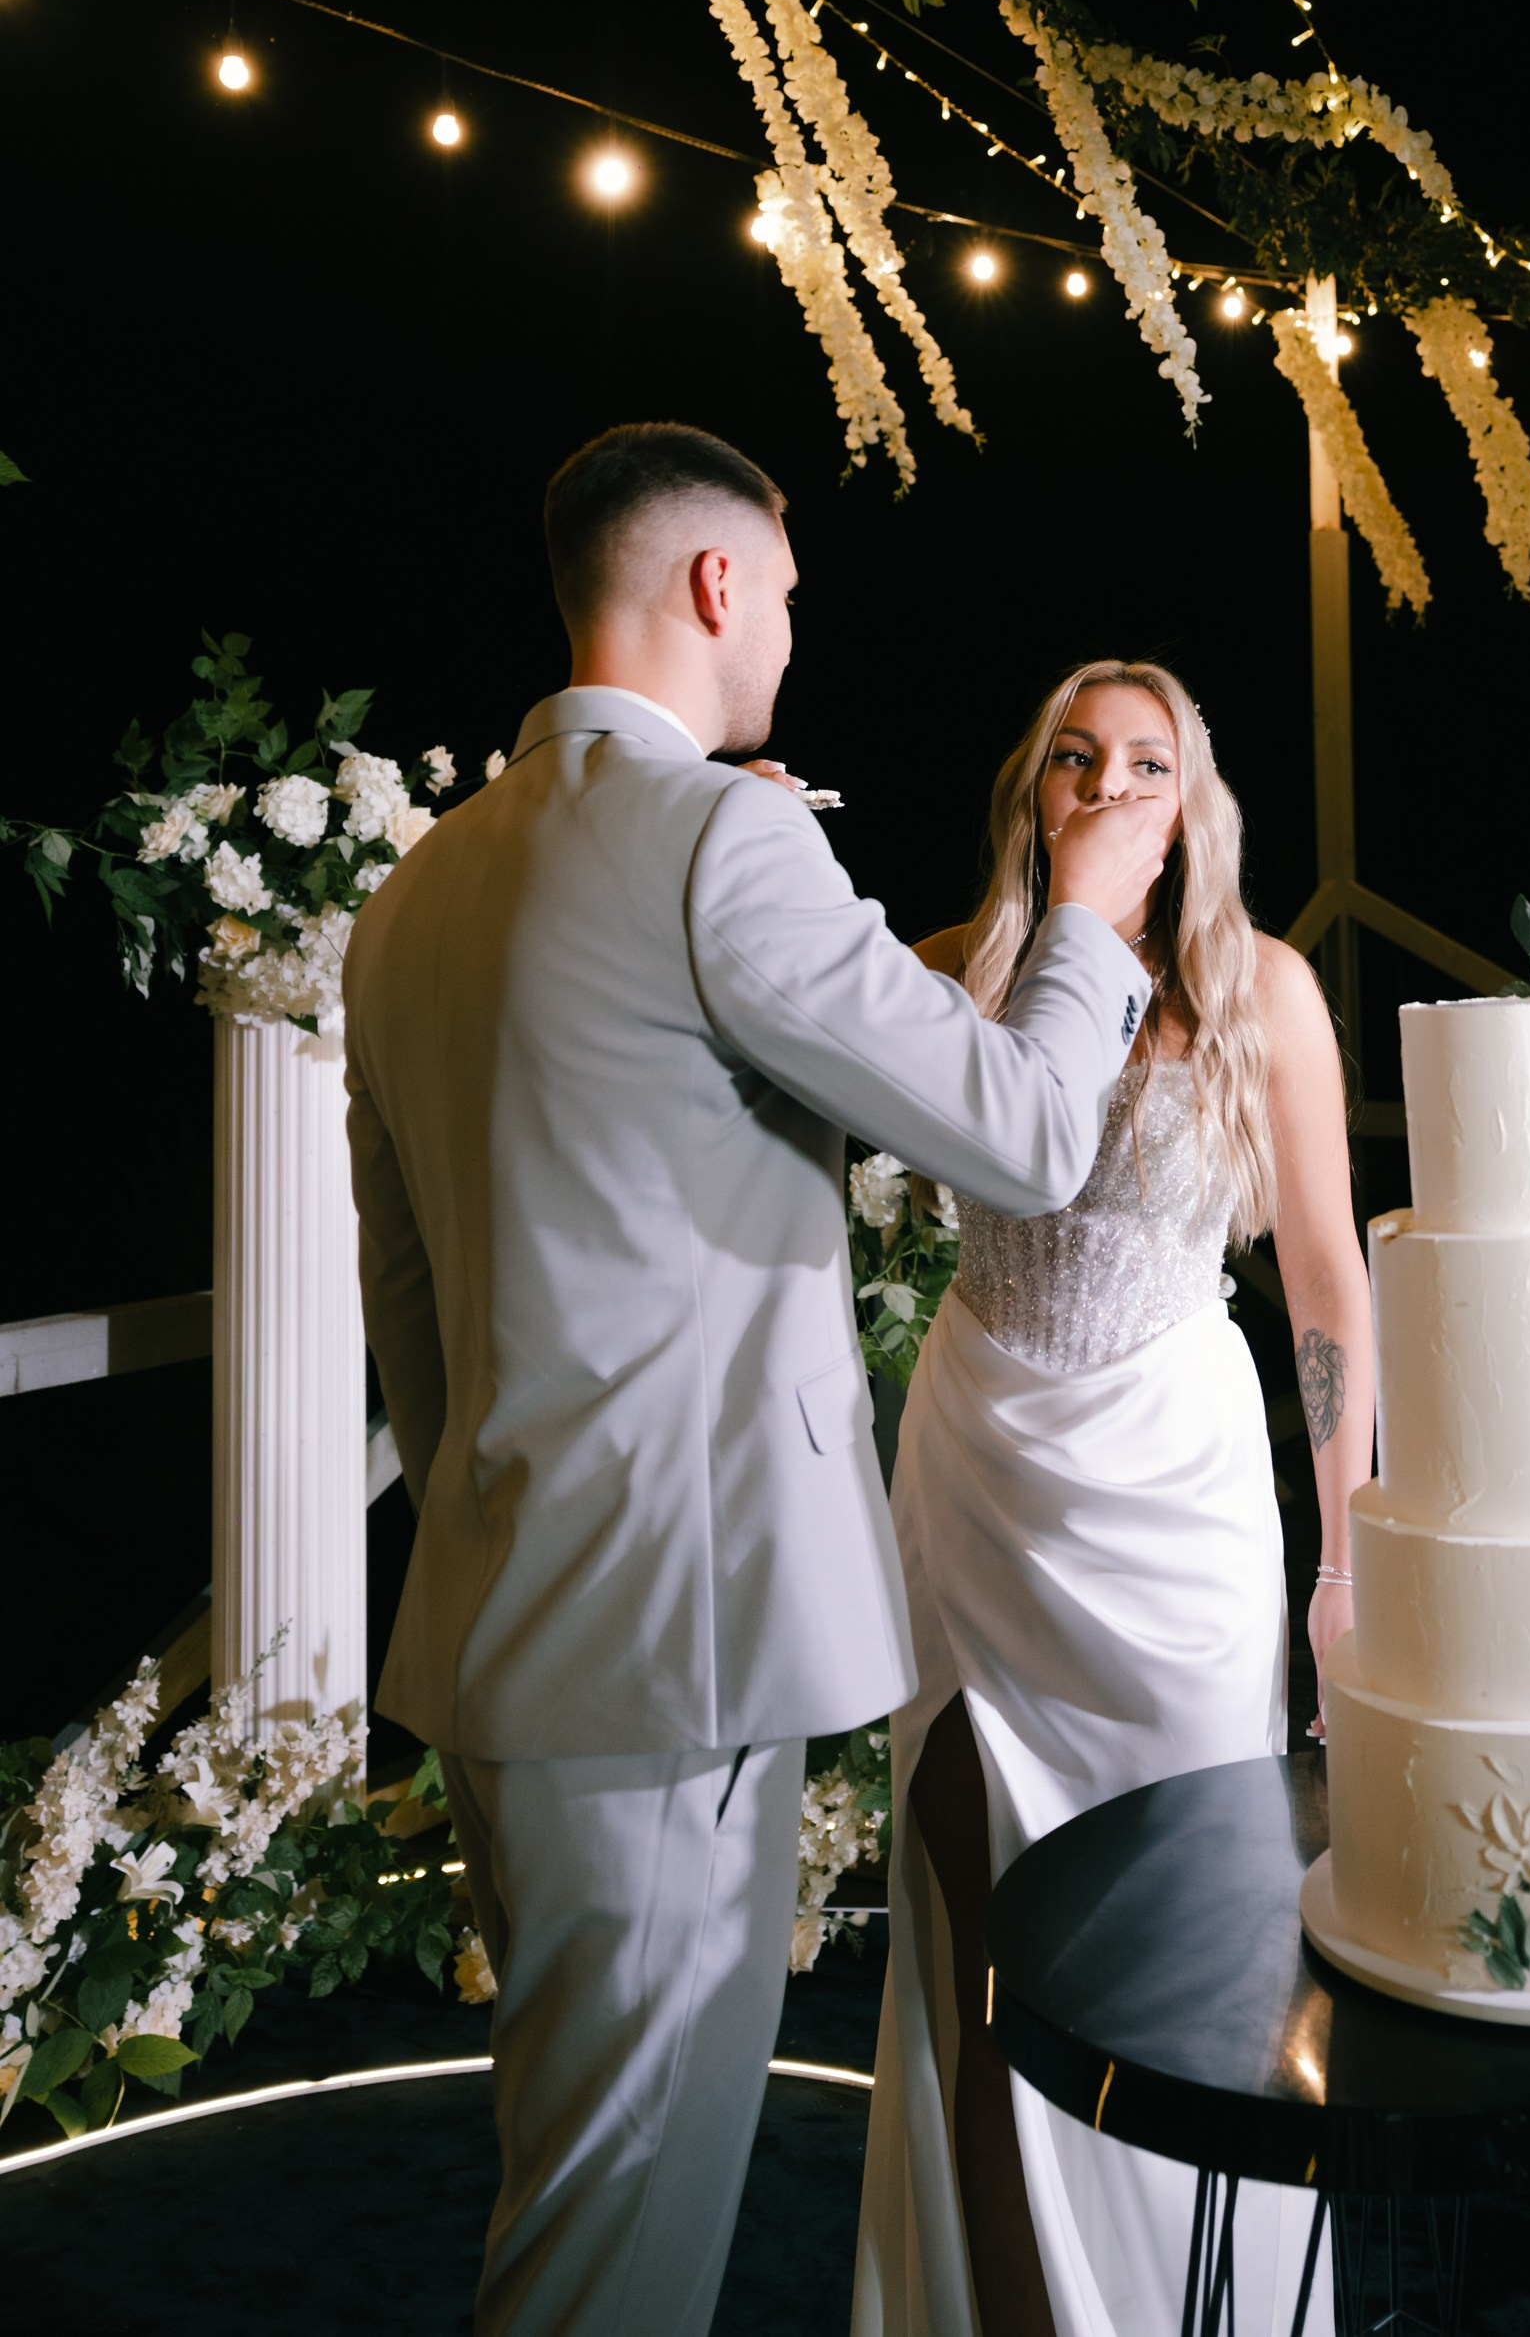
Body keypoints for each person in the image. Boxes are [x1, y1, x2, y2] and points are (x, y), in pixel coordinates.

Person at [345, 424, 1167, 2337]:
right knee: (615, 2242)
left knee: (575, 2177)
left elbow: (412, 1320)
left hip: (500, 1626)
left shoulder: (417, 895)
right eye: (785, 594)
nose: (791, 631)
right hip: (673, 1647)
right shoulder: (725, 840)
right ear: (717, 584)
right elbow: (1024, 1135)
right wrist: (1089, 912)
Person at [848, 657, 1375, 2337]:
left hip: (1181, 1506)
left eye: (1148, 759)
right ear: (1035, 791)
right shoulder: (946, 971)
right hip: (977, 1481)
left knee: (1196, 1934)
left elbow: (1326, 1287)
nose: (1108, 782)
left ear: (1191, 800)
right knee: (978, 1929)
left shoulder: (1261, 989)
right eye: (1075, 755)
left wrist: (1344, 1559)